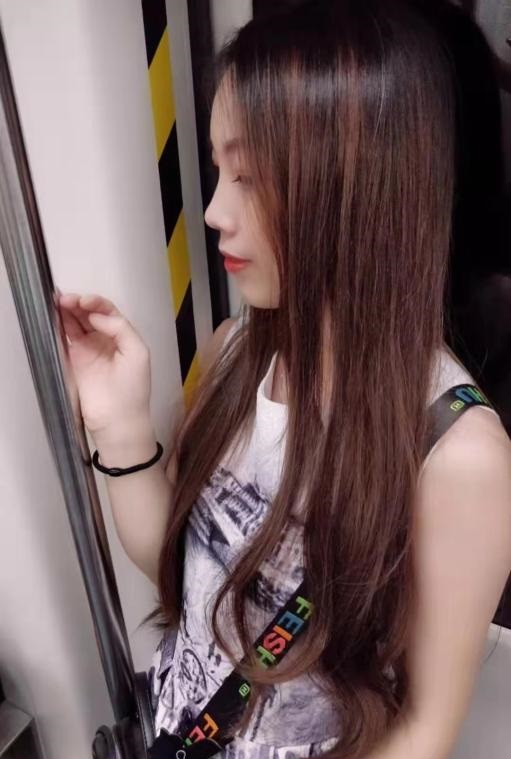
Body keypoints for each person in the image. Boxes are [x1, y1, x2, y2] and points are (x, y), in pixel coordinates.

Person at [57, 1, 511, 757]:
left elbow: (424, 729)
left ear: (356, 183)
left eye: (250, 175)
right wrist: (121, 425)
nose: (213, 211)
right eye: (217, 170)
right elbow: (191, 580)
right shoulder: (234, 353)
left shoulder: (459, 457)